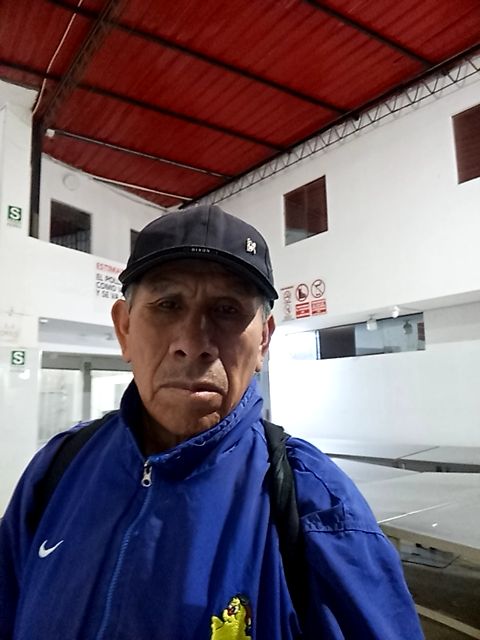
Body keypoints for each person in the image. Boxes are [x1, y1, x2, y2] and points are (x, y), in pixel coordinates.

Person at [0, 204, 424, 639]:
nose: (193, 342)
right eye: (167, 305)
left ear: (263, 341)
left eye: (226, 309)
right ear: (124, 329)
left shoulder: (316, 503)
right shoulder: (58, 469)